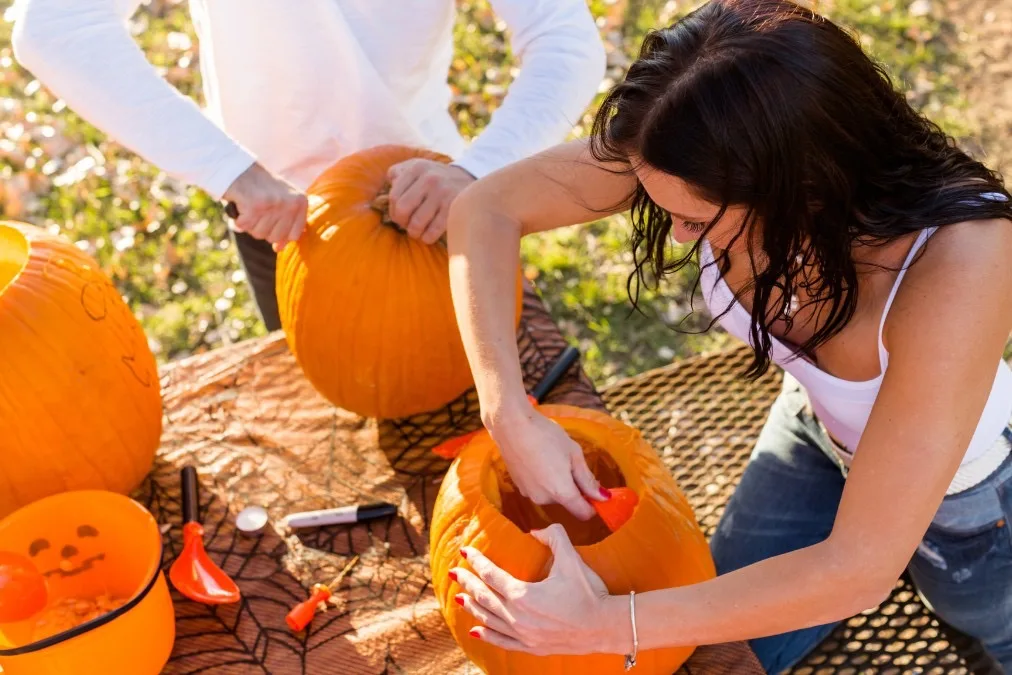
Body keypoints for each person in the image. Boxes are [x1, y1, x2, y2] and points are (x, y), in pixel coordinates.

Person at [442, 0, 1012, 671]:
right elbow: (485, 208)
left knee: (989, 632)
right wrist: (505, 408)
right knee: (711, 638)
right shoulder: (685, 146)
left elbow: (860, 567)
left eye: (695, 218)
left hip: (974, 504)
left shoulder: (967, 258)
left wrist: (604, 623)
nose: (676, 232)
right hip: (815, 431)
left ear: (802, 186)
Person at [11, 0, 606, 331]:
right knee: (330, 419)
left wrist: (479, 172)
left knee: (471, 403)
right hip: (277, 215)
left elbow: (564, 38)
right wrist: (229, 169)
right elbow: (57, 26)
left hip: (433, 206)